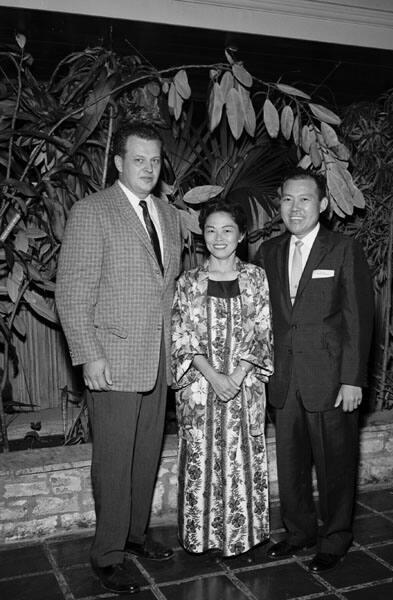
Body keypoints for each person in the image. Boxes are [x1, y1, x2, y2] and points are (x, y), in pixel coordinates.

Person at [56, 121, 183, 594]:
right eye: (139, 160)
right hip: (111, 358)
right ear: (118, 163)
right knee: (113, 459)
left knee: (145, 455)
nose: (148, 169)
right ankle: (107, 554)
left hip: (158, 358)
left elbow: (166, 288)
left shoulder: (168, 215)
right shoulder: (93, 212)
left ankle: (134, 535)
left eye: (155, 161)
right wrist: (89, 355)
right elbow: (71, 291)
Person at [256, 168, 374, 572]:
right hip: (283, 378)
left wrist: (352, 379)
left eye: (304, 199)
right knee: (290, 465)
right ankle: (299, 531)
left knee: (335, 463)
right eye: (288, 199)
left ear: (322, 205)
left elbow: (358, 319)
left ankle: (335, 537)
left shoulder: (343, 249)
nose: (295, 207)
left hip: (330, 378)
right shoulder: (268, 252)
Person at [170, 199, 273, 558]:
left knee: (241, 456)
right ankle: (201, 537)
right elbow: (181, 335)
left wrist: (238, 374)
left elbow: (263, 331)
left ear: (241, 235)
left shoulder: (256, 278)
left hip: (245, 389)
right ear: (202, 235)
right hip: (199, 389)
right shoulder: (188, 282)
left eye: (227, 230)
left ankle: (242, 535)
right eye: (211, 230)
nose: (218, 237)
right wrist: (214, 377)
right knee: (201, 455)